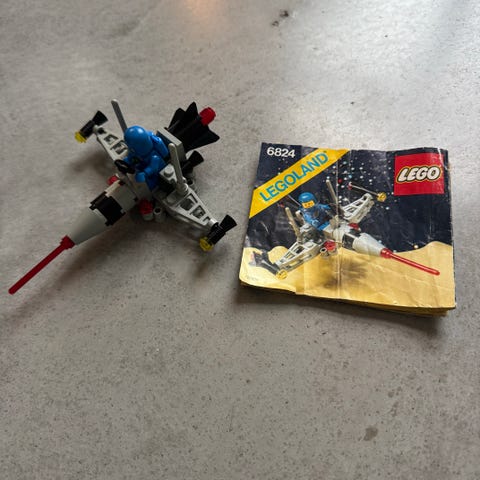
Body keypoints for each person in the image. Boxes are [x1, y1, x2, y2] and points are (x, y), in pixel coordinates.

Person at [123, 125, 169, 190]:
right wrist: (128, 160)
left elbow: (153, 168)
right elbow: (132, 155)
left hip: (156, 174)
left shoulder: (154, 157)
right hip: (142, 165)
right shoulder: (136, 152)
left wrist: (144, 173)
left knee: (150, 184)